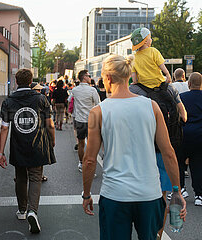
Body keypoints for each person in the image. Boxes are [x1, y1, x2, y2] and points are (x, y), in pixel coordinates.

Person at [82, 54, 186, 240]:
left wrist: (87, 194)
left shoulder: (98, 112)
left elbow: (90, 160)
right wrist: (176, 191)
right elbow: (168, 153)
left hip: (115, 195)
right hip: (149, 194)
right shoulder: (151, 106)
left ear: (108, 78)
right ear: (128, 76)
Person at [0, 69, 56, 234]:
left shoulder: (9, 101)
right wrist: (52, 140)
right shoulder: (41, 99)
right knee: (36, 177)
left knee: (21, 177)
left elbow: (4, 128)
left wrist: (1, 152)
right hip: (37, 145)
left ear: (16, 82)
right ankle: (33, 211)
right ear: (31, 81)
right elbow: (49, 124)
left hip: (18, 146)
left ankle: (22, 211)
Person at [179, 72, 202, 206]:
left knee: (179, 163)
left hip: (183, 135)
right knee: (198, 165)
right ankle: (199, 194)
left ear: (189, 84)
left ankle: (181, 188)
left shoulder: (181, 97)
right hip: (200, 136)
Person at [71, 70, 100, 172]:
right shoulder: (92, 90)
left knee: (81, 143)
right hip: (91, 120)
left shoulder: (75, 90)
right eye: (89, 76)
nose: (90, 77)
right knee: (92, 145)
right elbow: (98, 104)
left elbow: (70, 100)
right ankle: (90, 166)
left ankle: (81, 163)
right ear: (84, 77)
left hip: (79, 120)